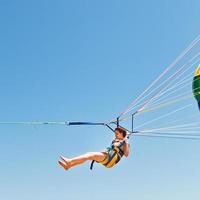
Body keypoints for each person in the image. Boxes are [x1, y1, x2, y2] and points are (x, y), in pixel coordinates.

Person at [58, 127, 130, 170]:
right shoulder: (115, 140)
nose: (115, 135)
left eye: (117, 133)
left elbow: (126, 154)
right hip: (107, 158)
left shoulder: (125, 143)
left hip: (110, 159)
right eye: (115, 133)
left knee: (89, 155)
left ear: (121, 133)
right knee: (88, 156)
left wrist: (126, 142)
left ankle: (70, 161)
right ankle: (69, 165)